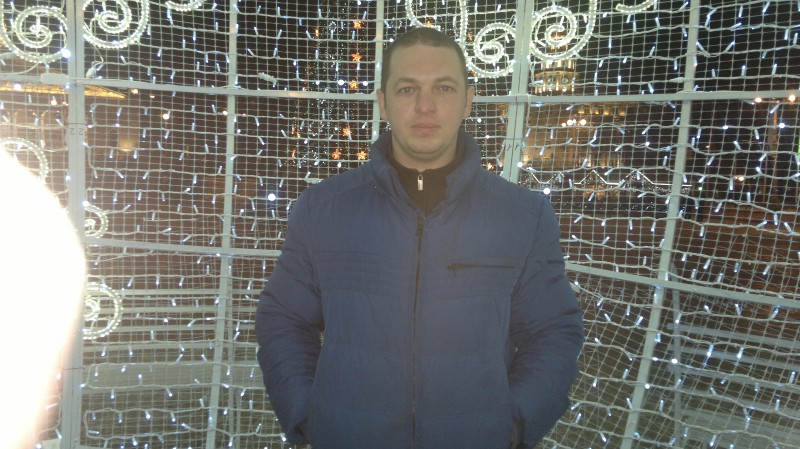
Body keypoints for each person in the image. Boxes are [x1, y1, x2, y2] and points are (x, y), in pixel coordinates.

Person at [256, 26, 584, 449]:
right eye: (407, 89)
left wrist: (513, 425)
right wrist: (307, 414)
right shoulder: (323, 209)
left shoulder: (523, 216)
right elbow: (284, 319)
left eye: (443, 88)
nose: (425, 106)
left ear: (468, 99)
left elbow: (553, 332)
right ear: (383, 102)